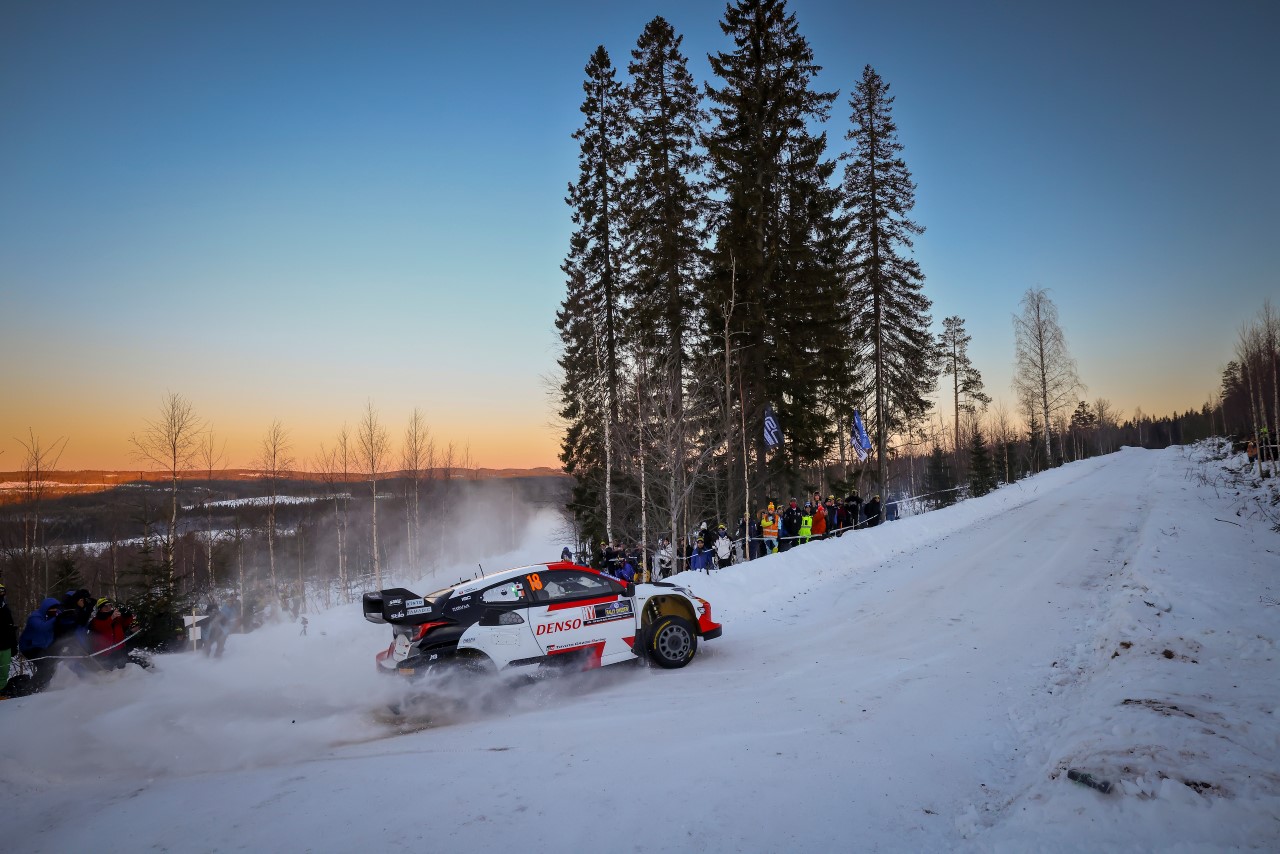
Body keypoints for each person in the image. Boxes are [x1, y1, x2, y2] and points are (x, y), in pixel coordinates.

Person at [18, 597, 63, 692]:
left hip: (44, 646)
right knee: (45, 666)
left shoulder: (56, 615)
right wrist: (57, 618)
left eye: (56, 608)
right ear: (46, 608)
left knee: (52, 666)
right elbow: (42, 628)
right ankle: (31, 688)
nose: (54, 610)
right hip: (29, 646)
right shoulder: (35, 617)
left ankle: (42, 686)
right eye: (52, 608)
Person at [0, 582, 16, 695]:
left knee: (4, 673)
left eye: (2, 592)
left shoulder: (6, 609)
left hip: (6, 646)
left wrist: (14, 645)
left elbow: (11, 628)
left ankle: (1, 693)